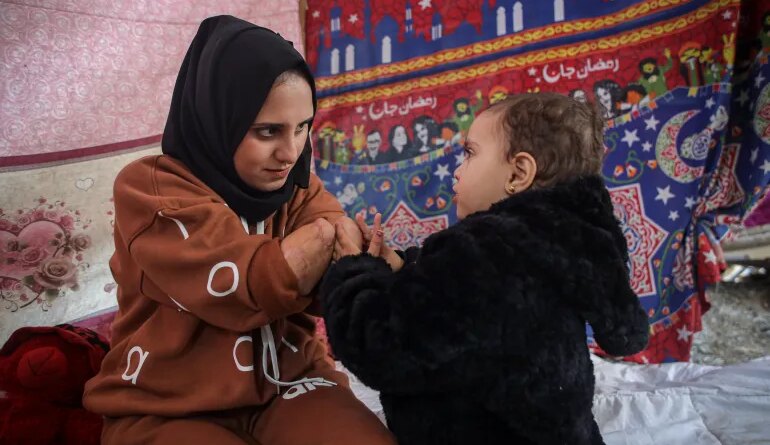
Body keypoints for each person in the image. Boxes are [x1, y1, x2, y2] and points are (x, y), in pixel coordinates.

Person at [83, 16, 395, 445]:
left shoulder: (300, 189)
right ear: (218, 117)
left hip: (290, 384)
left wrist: (368, 273)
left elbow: (338, 282)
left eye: (302, 127)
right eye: (268, 131)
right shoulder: (148, 190)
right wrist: (320, 247)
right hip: (165, 405)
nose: (290, 153)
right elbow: (232, 281)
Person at [321, 93, 649, 445]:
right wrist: (401, 269)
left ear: (518, 173)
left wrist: (354, 270)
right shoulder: (577, 241)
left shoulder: (487, 250)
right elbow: (625, 334)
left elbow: (379, 346)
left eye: (469, 153)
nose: (457, 169)